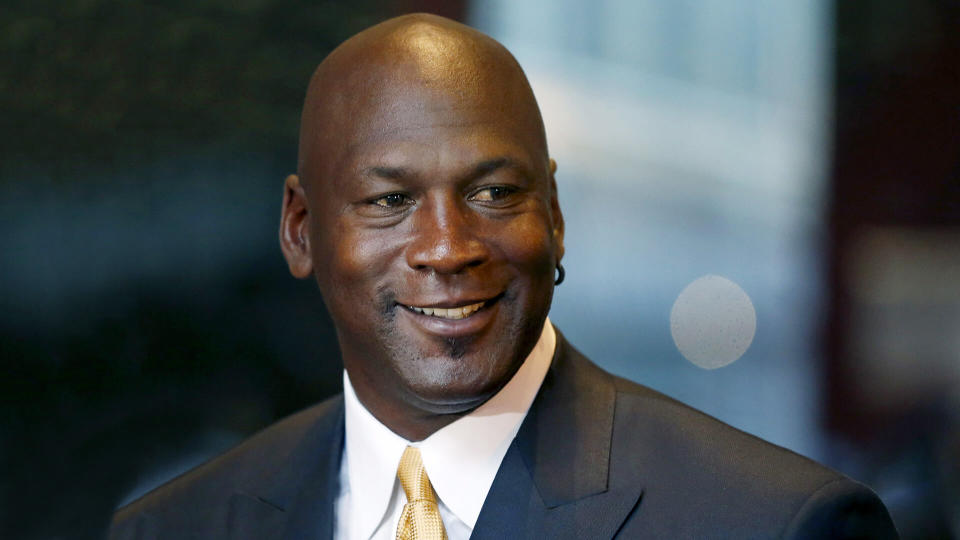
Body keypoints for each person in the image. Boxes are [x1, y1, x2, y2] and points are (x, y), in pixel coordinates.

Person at [110, 13, 898, 539]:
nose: (449, 248)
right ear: (301, 230)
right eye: (390, 200)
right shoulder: (175, 526)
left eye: (494, 193)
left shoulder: (774, 524)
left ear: (553, 215)